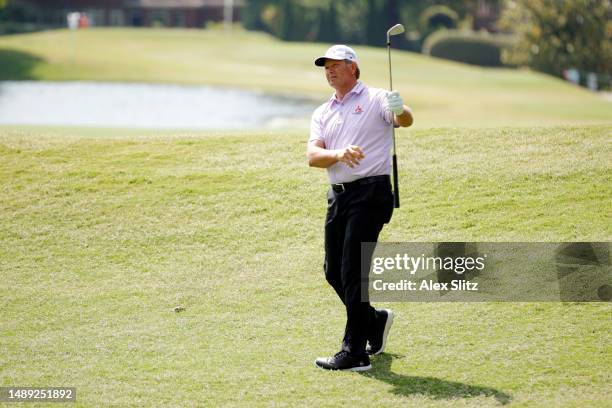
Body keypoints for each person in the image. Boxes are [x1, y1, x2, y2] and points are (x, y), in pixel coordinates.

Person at [307, 44, 413, 371]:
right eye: (326, 66)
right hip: (338, 196)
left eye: (336, 65)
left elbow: (403, 120)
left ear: (353, 67)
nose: (330, 70)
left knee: (353, 271)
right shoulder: (323, 112)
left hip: (370, 193)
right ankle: (373, 321)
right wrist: (338, 154)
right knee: (333, 271)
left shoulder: (376, 98)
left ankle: (355, 352)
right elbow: (313, 156)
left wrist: (401, 108)